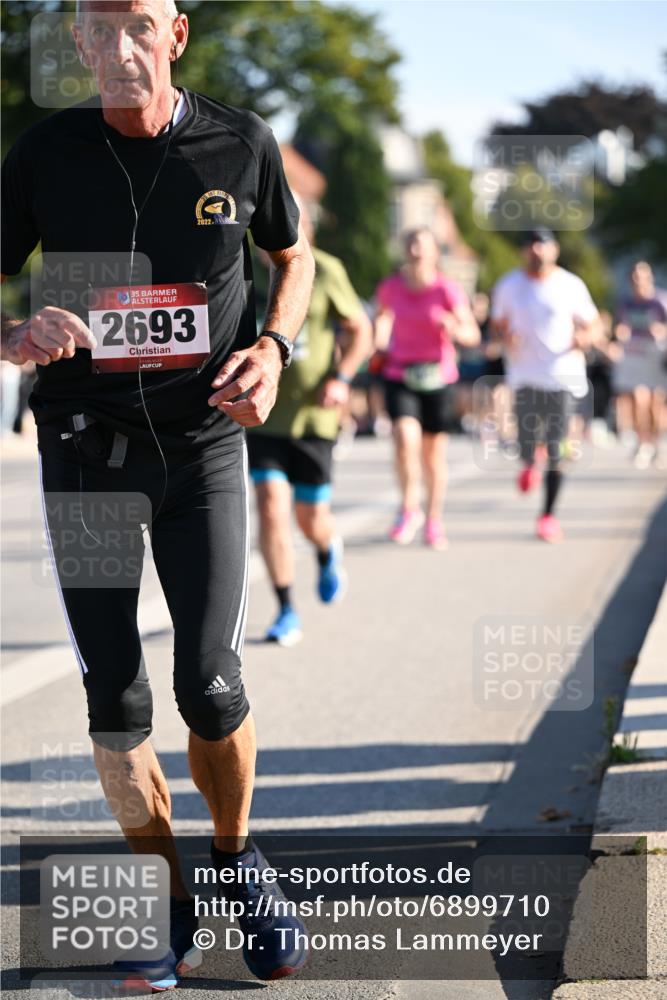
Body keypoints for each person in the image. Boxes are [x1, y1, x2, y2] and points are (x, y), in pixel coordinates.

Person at [1, 0, 315, 988]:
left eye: (140, 23)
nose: (120, 45)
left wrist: (275, 347)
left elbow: (291, 258)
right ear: (80, 43)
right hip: (86, 449)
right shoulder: (43, 154)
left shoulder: (240, 144)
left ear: (174, 35)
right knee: (115, 699)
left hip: (203, 445)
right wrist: (14, 334)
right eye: (99, 27)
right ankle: (168, 897)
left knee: (209, 685)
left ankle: (234, 858)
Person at [247, 203, 370, 646]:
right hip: (262, 414)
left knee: (310, 515)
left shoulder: (326, 269)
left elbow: (360, 329)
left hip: (315, 417)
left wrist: (341, 379)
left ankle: (326, 547)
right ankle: (285, 608)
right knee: (269, 504)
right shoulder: (243, 270)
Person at [373, 227, 479, 550]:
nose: (416, 252)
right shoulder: (390, 288)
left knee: (433, 457)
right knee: (405, 438)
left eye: (423, 247)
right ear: (405, 251)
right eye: (412, 246)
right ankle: (409, 509)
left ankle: (434, 519)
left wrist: (455, 327)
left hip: (438, 377)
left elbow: (471, 333)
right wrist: (378, 339)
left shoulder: (447, 290)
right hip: (400, 372)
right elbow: (380, 319)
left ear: (434, 253)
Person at [491, 228, 599, 543]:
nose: (537, 251)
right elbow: (497, 326)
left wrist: (585, 338)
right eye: (531, 245)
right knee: (526, 438)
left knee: (556, 444)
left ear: (554, 250)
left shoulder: (570, 285)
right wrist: (504, 338)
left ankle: (548, 515)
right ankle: (528, 462)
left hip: (562, 374)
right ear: (525, 251)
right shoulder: (509, 285)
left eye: (543, 245)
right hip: (524, 374)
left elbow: (593, 324)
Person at [612, 261, 667, 469]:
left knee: (655, 402)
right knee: (636, 397)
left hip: (656, 354)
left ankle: (655, 442)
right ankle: (642, 441)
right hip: (633, 353)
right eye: (634, 277)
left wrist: (661, 331)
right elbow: (620, 325)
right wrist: (620, 334)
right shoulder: (625, 302)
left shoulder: (660, 301)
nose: (638, 281)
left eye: (642, 276)